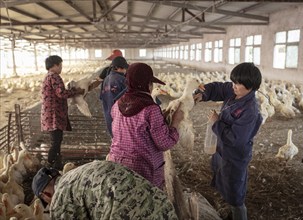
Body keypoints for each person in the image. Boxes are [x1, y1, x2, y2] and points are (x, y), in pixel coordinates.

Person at [194, 62, 263, 220]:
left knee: (235, 194)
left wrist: (217, 122)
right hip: (222, 152)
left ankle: (239, 215)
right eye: (234, 82)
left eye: (239, 84)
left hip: (234, 156)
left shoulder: (250, 110)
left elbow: (236, 139)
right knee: (224, 183)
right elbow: (218, 88)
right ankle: (232, 214)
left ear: (251, 86)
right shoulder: (233, 92)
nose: (234, 86)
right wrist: (203, 94)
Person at [107, 62, 184, 189]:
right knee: (145, 205)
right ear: (148, 85)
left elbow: (133, 128)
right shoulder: (150, 109)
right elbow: (164, 143)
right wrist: (175, 122)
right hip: (143, 170)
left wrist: (160, 120)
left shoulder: (117, 104)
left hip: (118, 164)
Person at [31, 160, 178, 219]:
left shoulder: (60, 198)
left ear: (46, 194)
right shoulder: (83, 172)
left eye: (47, 202)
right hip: (164, 209)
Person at [41, 55, 84, 170]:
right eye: (60, 65)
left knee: (57, 140)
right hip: (54, 115)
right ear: (54, 65)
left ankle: (57, 165)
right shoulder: (54, 76)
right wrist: (75, 91)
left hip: (50, 114)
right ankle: (48, 166)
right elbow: (61, 93)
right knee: (56, 141)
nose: (61, 68)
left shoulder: (48, 77)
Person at [100, 56, 129, 137]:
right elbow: (128, 96)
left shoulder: (105, 80)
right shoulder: (122, 80)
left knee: (115, 141)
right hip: (120, 117)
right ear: (117, 68)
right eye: (123, 68)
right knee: (123, 141)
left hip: (108, 116)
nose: (125, 70)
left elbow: (102, 98)